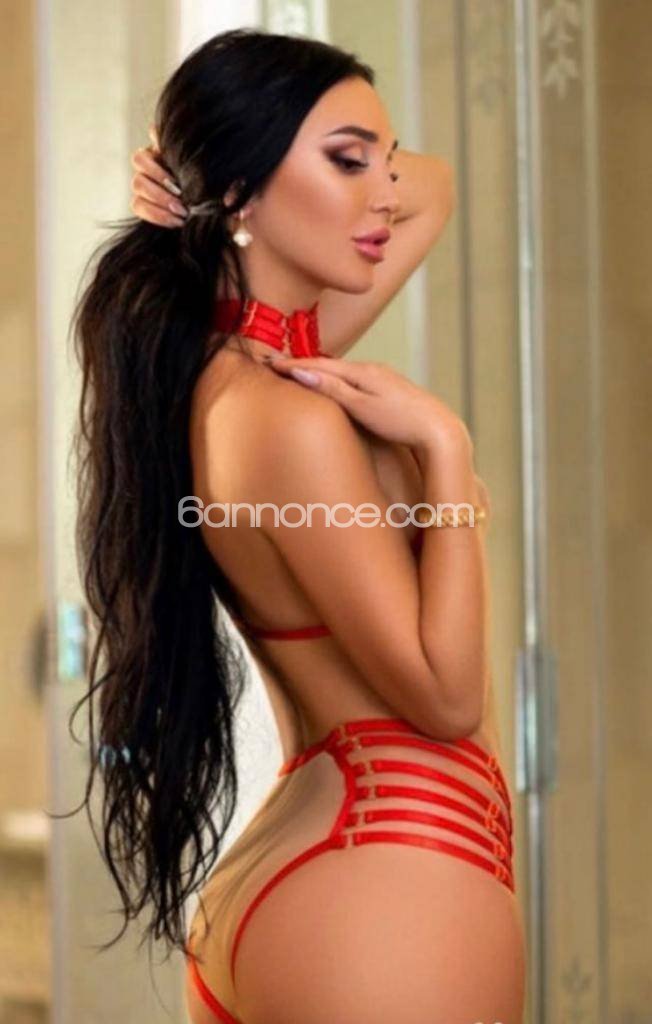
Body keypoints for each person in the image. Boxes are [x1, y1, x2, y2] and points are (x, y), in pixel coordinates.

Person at [73, 26, 525, 1024]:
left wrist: (191, 164)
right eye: (348, 162)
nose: (386, 193)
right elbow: (445, 696)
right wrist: (445, 450)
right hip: (393, 872)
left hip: (327, 862)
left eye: (382, 159)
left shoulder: (241, 372)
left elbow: (436, 187)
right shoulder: (289, 420)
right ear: (242, 193)